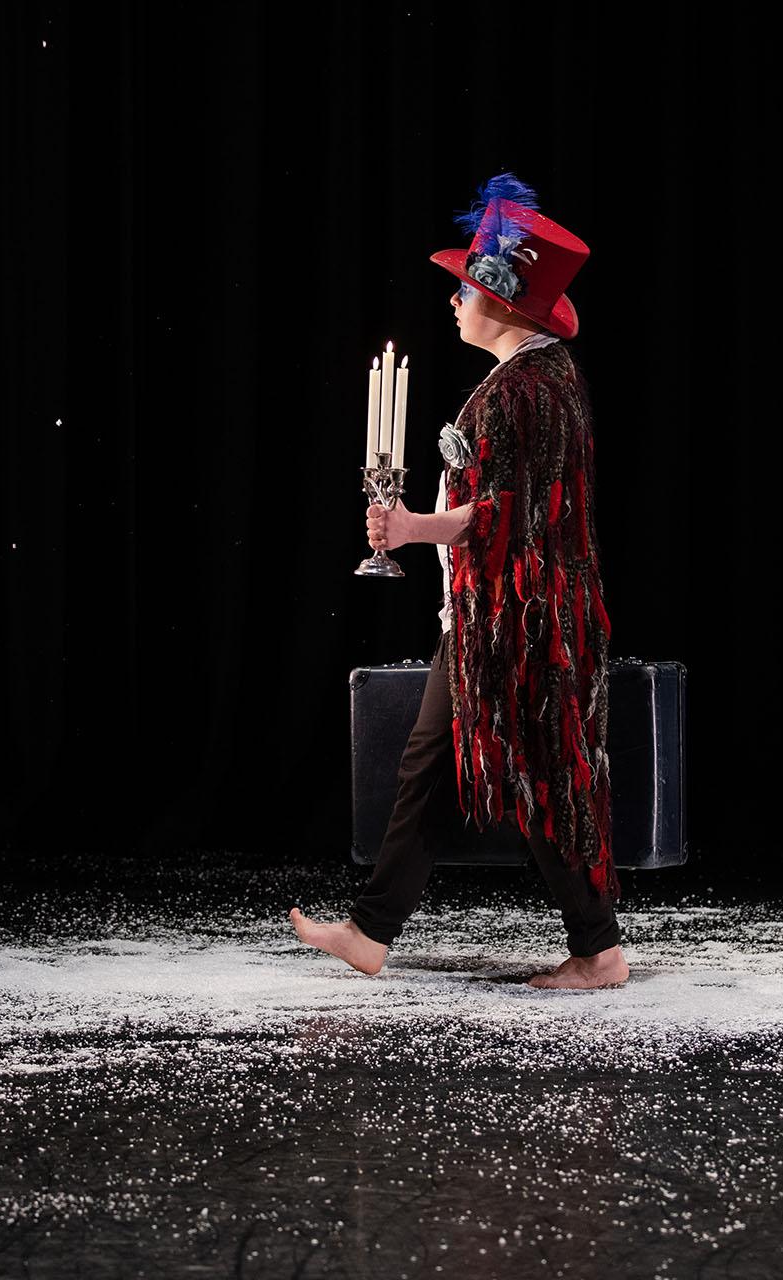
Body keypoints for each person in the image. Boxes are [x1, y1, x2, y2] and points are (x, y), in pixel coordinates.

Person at [291, 173, 627, 990]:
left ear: (507, 307)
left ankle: (598, 949)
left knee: (541, 769)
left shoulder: (521, 389)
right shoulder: (545, 378)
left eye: (467, 289)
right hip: (510, 614)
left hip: (513, 621)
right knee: (435, 763)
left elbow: (495, 517)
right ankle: (374, 932)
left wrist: (408, 528)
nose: (454, 302)